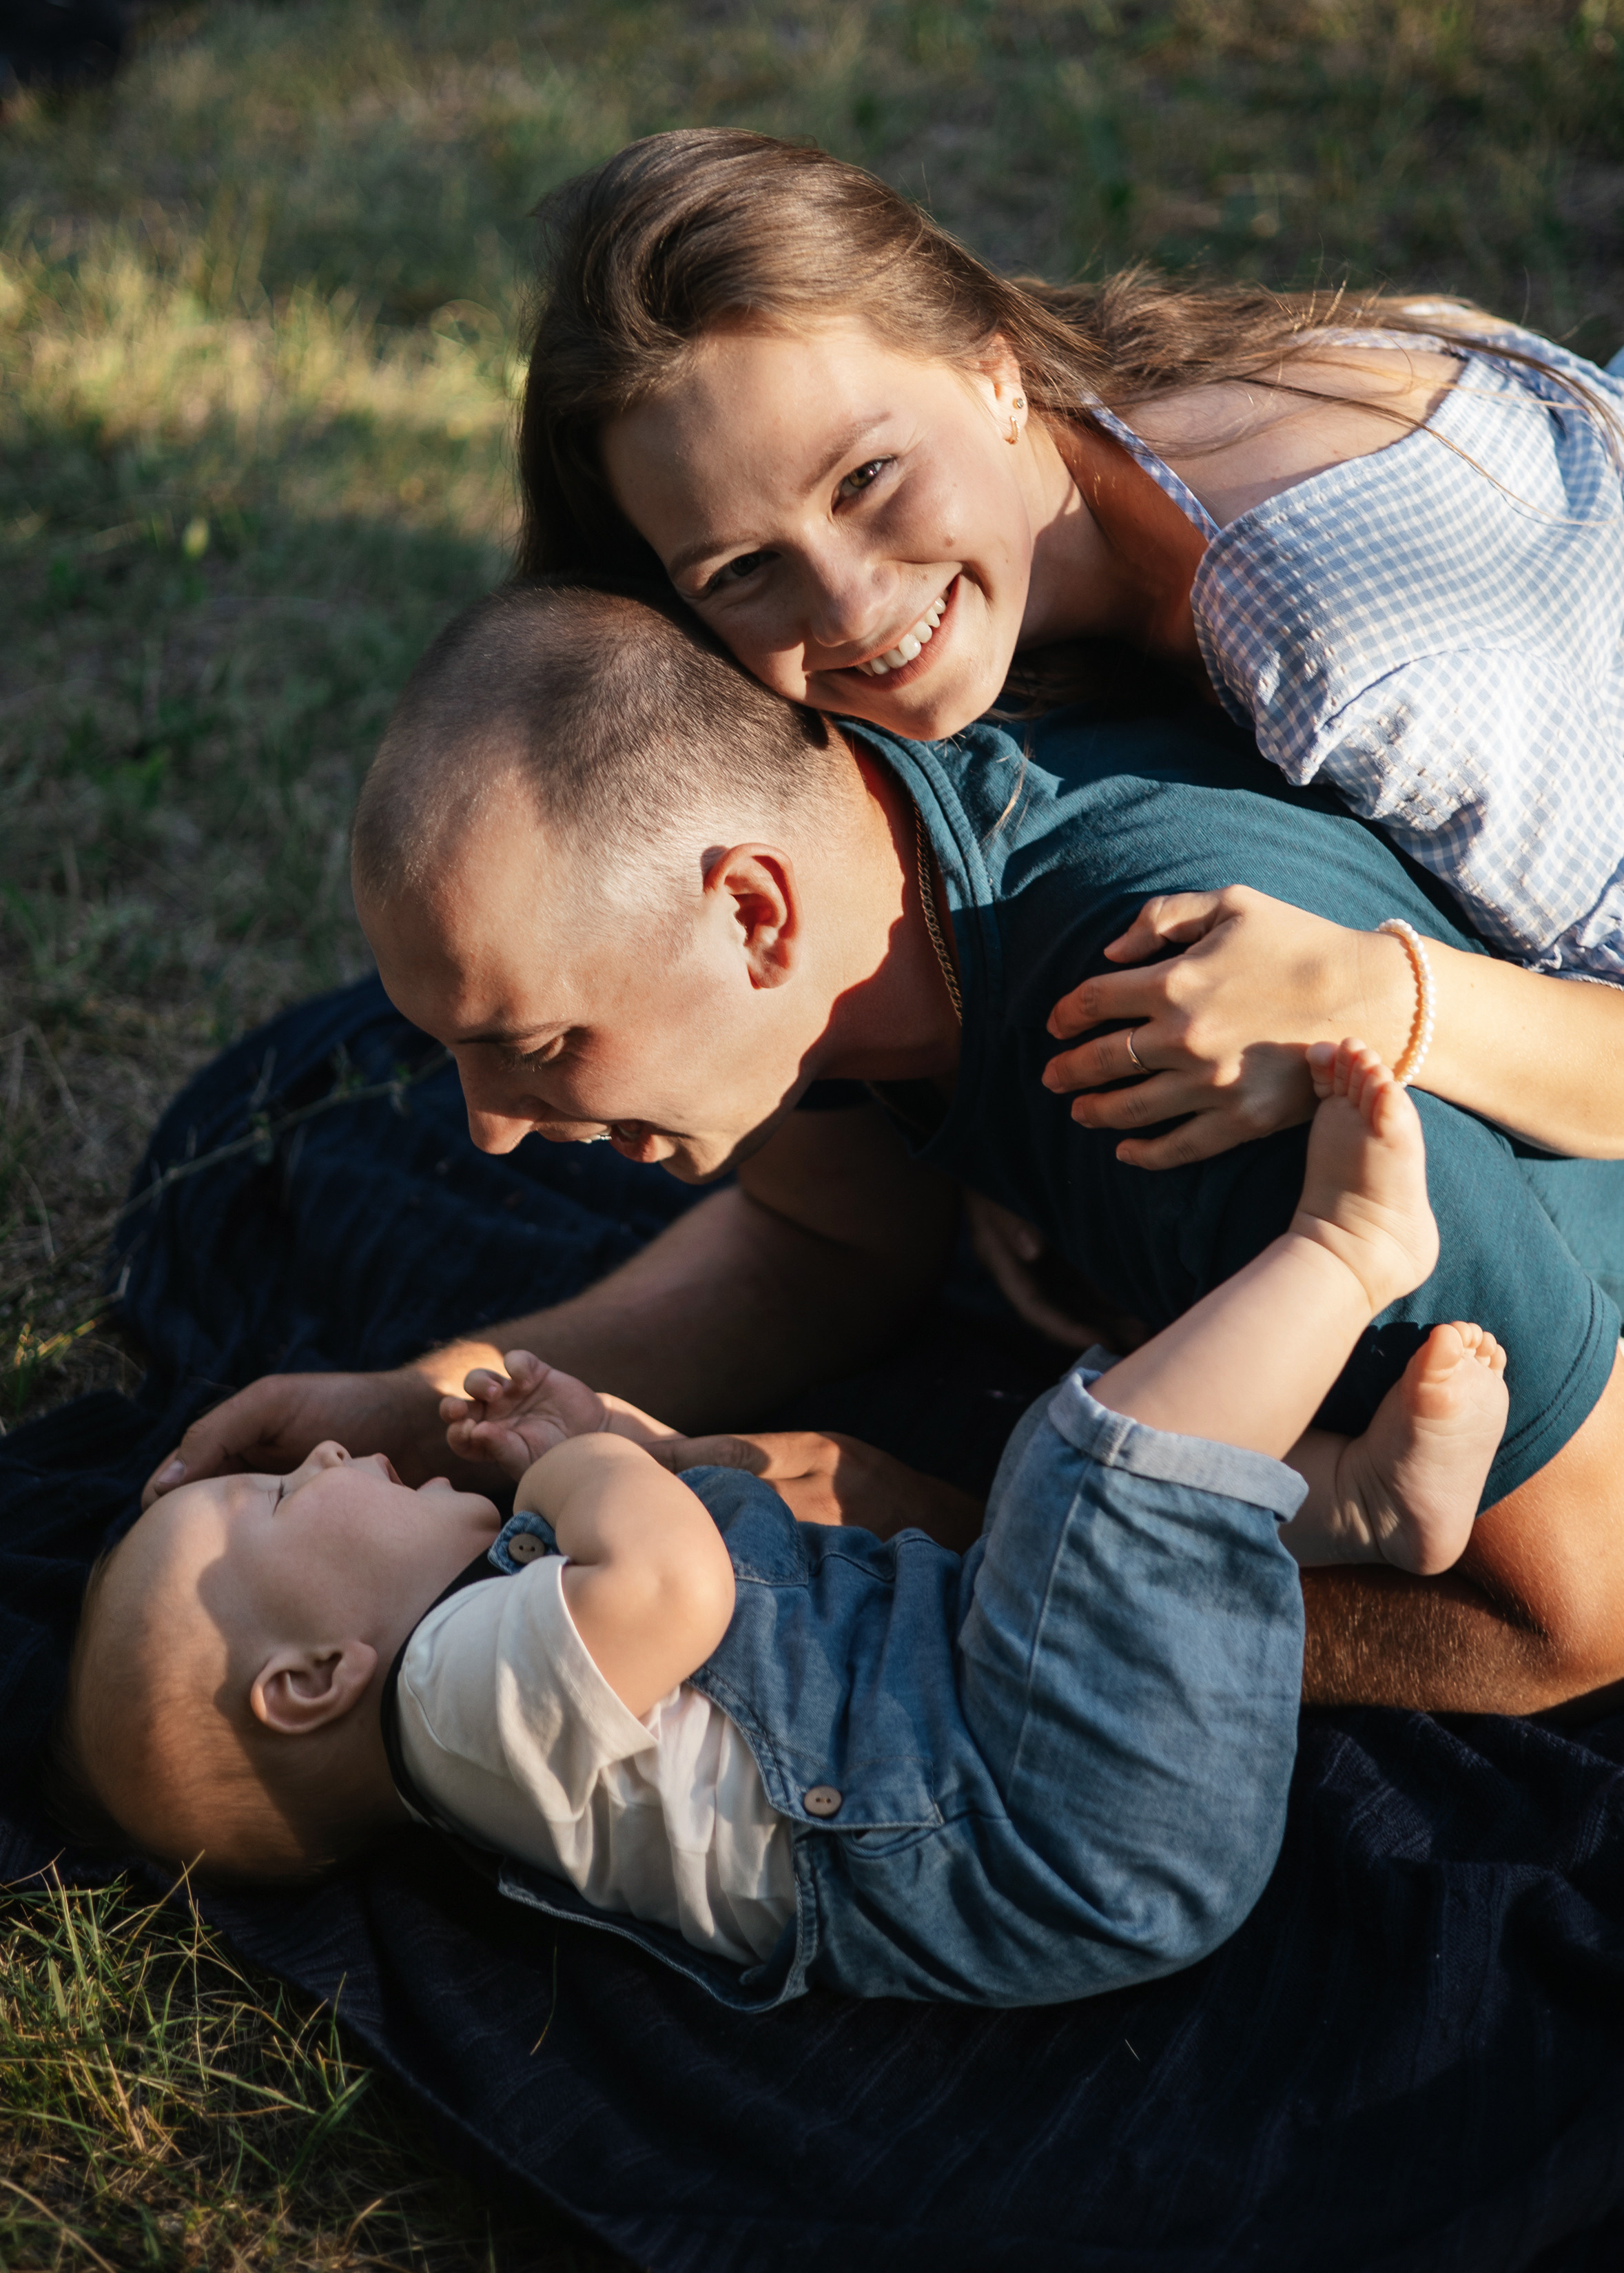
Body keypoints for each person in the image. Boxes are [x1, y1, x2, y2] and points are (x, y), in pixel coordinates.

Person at [147, 581, 1624, 1721]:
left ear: (752, 915)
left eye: (532, 1044)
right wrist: (423, 1412)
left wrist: (960, 1551)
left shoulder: (1181, 1059)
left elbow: (1578, 1612)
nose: (488, 1125)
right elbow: (826, 1249)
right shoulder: (857, 877)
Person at [59, 1040, 1505, 2009]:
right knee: (1087, 1471)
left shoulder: (495, 1692)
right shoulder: (450, 1712)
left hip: (1029, 1751)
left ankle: (1361, 1504)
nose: (312, 1460)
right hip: (1059, 1813)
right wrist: (573, 1468)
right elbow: (673, 1585)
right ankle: (1350, 1250)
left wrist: (622, 1447)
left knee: (1067, 1537)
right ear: (312, 1679)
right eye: (272, 1502)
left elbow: (673, 1549)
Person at [513, 126, 1624, 1186]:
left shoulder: (1343, 649)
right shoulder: (1099, 428)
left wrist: (1373, 996)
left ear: (991, 371)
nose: (848, 605)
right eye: (740, 569)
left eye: (865, 479)